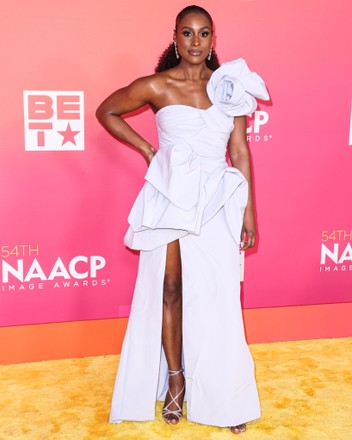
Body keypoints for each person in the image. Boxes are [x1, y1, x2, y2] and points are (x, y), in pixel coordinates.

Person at [96, 4, 269, 435]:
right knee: (169, 289)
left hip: (215, 200)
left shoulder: (230, 89)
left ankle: (224, 393)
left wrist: (249, 211)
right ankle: (176, 380)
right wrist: (149, 151)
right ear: (174, 37)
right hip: (171, 197)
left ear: (214, 39)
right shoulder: (157, 85)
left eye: (203, 33)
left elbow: (241, 151)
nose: (195, 42)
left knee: (218, 295)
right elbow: (107, 111)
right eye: (187, 33)